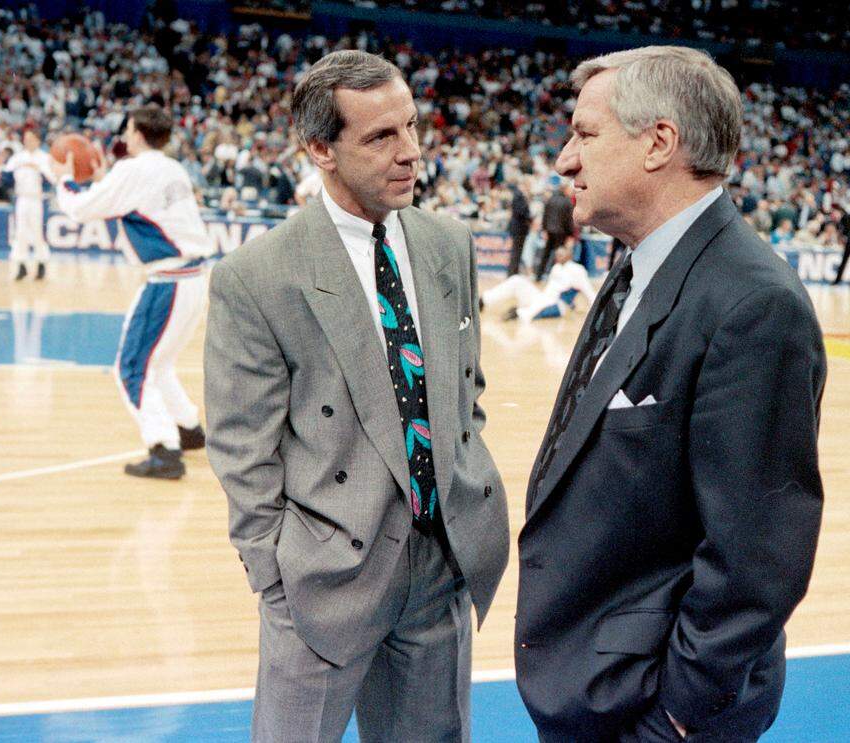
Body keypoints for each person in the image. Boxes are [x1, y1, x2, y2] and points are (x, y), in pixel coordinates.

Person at [514, 46, 826, 743]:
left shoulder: (752, 303)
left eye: (585, 135)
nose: (565, 159)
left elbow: (755, 559)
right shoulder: (641, 267)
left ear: (659, 143)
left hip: (654, 711)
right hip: (593, 690)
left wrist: (677, 718)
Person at [203, 50, 509, 743]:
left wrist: (463, 499)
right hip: (323, 578)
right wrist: (276, 579)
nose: (412, 153)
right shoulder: (258, 275)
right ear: (320, 149)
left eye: (411, 127)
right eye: (381, 137)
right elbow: (239, 447)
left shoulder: (449, 241)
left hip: (439, 566)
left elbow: (466, 392)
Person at [51, 105, 211, 479]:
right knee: (160, 362)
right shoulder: (172, 168)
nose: (123, 135)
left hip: (167, 281)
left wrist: (64, 180)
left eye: (126, 129)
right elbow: (129, 201)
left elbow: (80, 209)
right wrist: (105, 180)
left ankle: (164, 450)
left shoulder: (134, 170)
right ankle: (188, 429)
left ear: (137, 133)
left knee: (130, 369)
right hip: (193, 278)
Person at [482, 246, 597, 321]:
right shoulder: (556, 267)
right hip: (542, 297)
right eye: (557, 254)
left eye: (562, 254)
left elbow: (589, 291)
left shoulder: (578, 270)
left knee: (528, 313)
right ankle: (483, 300)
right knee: (517, 280)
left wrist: (594, 314)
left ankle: (518, 313)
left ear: (569, 255)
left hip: (556, 304)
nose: (558, 257)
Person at [4, 128, 56, 280]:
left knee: (38, 232)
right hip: (22, 198)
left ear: (38, 140)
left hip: (37, 199)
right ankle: (21, 265)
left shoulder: (45, 158)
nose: (28, 142)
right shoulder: (17, 158)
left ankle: (41, 263)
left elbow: (52, 179)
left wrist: (38, 169)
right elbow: (6, 176)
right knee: (20, 232)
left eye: (32, 138)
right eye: (26, 139)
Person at [535, 182, 575, 280]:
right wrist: (570, 233)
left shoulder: (551, 199)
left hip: (549, 230)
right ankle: (554, 276)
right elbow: (568, 219)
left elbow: (545, 215)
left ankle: (538, 275)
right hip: (561, 232)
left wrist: (544, 229)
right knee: (559, 254)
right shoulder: (567, 201)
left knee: (546, 253)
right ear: (565, 190)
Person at [506, 177, 531, 275]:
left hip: (520, 228)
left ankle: (514, 272)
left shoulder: (519, 195)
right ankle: (512, 273)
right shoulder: (519, 195)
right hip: (518, 227)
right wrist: (529, 216)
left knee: (517, 251)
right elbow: (520, 211)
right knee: (516, 251)